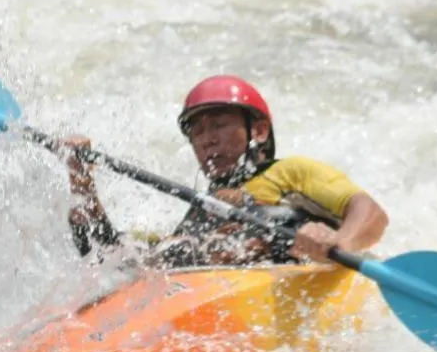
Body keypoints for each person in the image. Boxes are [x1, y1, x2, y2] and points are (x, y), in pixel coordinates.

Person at [62, 75, 389, 268]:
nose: (207, 140)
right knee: (160, 253)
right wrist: (82, 183)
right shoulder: (202, 208)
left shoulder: (291, 172)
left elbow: (370, 213)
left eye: (218, 125)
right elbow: (108, 256)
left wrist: (338, 241)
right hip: (212, 303)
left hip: (280, 288)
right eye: (198, 132)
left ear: (258, 131)